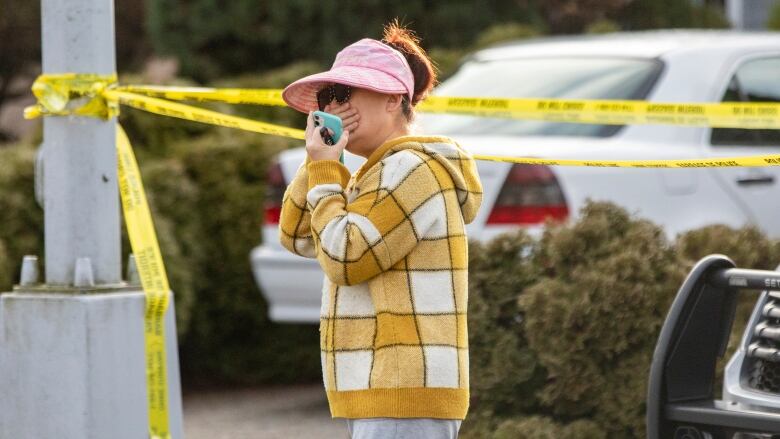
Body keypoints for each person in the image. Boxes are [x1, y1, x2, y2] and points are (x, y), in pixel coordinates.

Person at [278, 20, 482, 439]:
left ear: (393, 99)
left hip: (402, 386)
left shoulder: (411, 168)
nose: (333, 108)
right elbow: (297, 234)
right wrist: (318, 159)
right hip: (383, 386)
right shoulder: (371, 173)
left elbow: (346, 259)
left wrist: (325, 169)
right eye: (327, 98)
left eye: (345, 93)